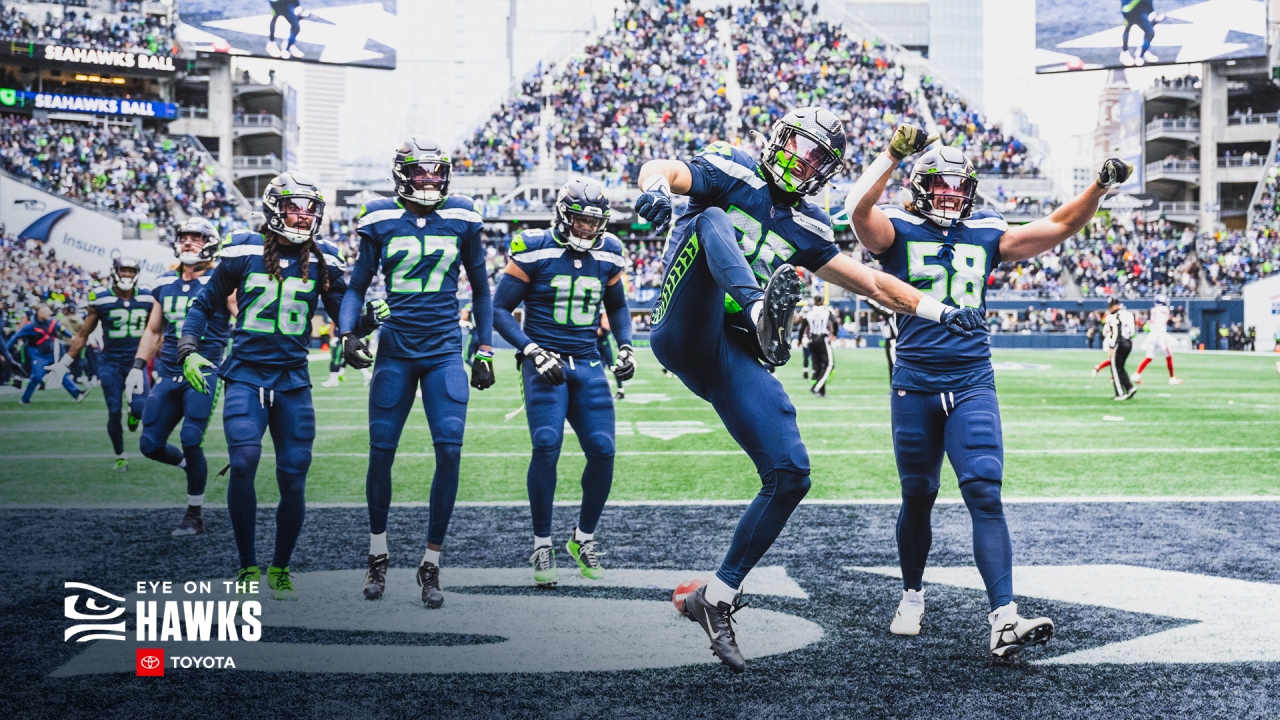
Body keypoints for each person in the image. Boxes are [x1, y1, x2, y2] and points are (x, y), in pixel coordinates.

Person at [632, 108, 984, 673]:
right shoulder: (733, 171)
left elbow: (871, 281)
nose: (801, 161)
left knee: (791, 471)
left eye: (817, 157)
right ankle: (758, 308)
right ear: (776, 140)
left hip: (732, 348)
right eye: (798, 146)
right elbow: (665, 168)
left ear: (827, 172)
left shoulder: (811, 226)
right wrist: (651, 188)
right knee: (712, 220)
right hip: (683, 320)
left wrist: (939, 309)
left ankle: (716, 598)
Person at [845, 122, 1135, 663]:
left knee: (984, 490)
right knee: (918, 493)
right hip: (914, 381)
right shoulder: (898, 230)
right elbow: (858, 215)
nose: (952, 196)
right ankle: (912, 594)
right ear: (919, 187)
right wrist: (887, 156)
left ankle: (1004, 618)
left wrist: (1098, 187)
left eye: (960, 187)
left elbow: (1056, 226)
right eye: (941, 186)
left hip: (973, 378)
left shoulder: (985, 231)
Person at [179, 171, 382, 600]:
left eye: (310, 208)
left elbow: (342, 317)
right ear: (274, 208)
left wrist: (366, 320)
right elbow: (203, 304)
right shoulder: (244, 249)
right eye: (294, 206)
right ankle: (248, 564)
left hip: (292, 379)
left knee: (293, 477)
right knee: (245, 461)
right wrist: (189, 349)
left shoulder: (323, 258)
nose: (303, 215)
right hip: (246, 375)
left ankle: (281, 567)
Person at [338, 138, 494, 607]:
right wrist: (350, 333)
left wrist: (483, 348)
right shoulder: (379, 218)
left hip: (445, 349)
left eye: (435, 173)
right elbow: (356, 286)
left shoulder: (463, 215)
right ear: (403, 175)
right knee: (381, 451)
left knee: (449, 450)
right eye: (420, 174)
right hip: (395, 352)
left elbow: (483, 291)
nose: (429, 181)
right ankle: (377, 553)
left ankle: (431, 562)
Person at [493, 178, 636, 586]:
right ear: (562, 215)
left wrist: (626, 348)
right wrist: (532, 350)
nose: (588, 229)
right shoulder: (534, 247)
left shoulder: (609, 253)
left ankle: (583, 538)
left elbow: (619, 307)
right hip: (545, 362)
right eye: (581, 220)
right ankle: (542, 544)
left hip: (589, 363)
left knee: (603, 450)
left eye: (595, 222)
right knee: (545, 443)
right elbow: (500, 310)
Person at [130, 217, 235, 535]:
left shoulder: (222, 280)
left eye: (197, 238)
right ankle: (190, 467)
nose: (189, 242)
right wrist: (137, 366)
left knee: (191, 438)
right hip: (168, 372)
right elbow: (154, 329)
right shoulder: (164, 282)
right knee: (149, 445)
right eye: (184, 237)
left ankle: (194, 514)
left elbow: (245, 319)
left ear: (211, 243)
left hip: (204, 371)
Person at [52, 257, 153, 472]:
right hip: (111, 362)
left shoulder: (147, 297)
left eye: (130, 270)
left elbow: (156, 332)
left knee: (140, 409)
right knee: (114, 411)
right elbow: (83, 335)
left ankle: (134, 416)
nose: (126, 274)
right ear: (115, 271)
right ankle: (120, 455)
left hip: (137, 361)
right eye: (123, 270)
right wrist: (64, 363)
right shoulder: (100, 298)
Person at [7, 303, 87, 405]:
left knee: (61, 372)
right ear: (39, 314)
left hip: (52, 353)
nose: (49, 312)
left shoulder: (52, 322)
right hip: (38, 354)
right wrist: (5, 351)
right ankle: (24, 399)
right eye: (46, 311)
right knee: (37, 377)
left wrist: (72, 337)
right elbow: (15, 337)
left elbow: (62, 329)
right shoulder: (30, 326)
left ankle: (77, 394)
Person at [1133, 295, 1181, 385]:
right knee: (1168, 356)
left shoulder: (1154, 310)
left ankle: (1136, 374)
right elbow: (1161, 325)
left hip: (1152, 335)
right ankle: (1172, 378)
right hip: (1160, 336)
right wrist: (1166, 338)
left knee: (1149, 357)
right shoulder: (1164, 310)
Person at [800, 294, 836, 396]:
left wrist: (799, 339)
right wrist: (834, 334)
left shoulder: (809, 311)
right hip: (822, 338)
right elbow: (835, 322)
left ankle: (821, 391)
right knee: (829, 365)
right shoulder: (827, 310)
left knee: (817, 365)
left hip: (812, 339)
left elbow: (802, 327)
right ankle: (817, 387)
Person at [1106, 298, 1138, 400]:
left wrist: (1112, 347)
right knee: (1120, 367)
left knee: (1115, 367)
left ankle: (1120, 393)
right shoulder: (1128, 314)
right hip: (1129, 341)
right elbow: (1132, 331)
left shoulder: (1116, 316)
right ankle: (1129, 387)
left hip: (1120, 343)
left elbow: (1117, 332)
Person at [1092, 306, 1115, 378]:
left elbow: (1104, 332)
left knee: (1114, 360)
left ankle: (1099, 368)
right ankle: (1100, 368)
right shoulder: (1114, 320)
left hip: (1108, 339)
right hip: (1112, 340)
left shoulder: (1106, 323)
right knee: (1115, 360)